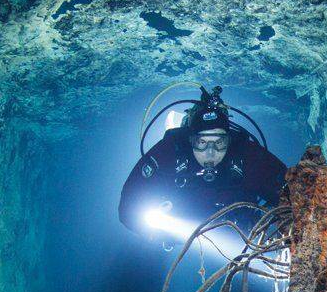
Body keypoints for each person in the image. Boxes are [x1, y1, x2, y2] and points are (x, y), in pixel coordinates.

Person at [118, 86, 287, 238]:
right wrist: (156, 229)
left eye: (219, 142)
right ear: (190, 140)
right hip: (177, 237)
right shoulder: (169, 152)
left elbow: (289, 190)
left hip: (241, 237)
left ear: (229, 140)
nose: (210, 152)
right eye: (202, 143)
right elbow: (128, 208)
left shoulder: (246, 154)